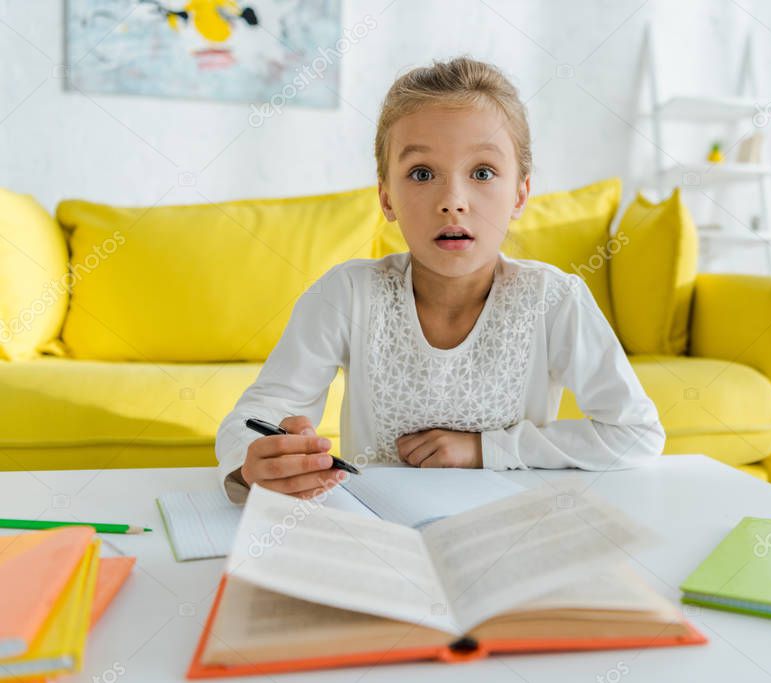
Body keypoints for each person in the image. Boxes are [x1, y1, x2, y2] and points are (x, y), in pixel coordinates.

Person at [215, 56, 664, 503]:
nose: (453, 201)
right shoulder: (348, 293)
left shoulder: (554, 298)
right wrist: (254, 460)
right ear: (387, 197)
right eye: (422, 174)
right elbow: (254, 416)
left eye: (483, 173)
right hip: (382, 534)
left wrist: (485, 449)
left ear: (520, 194)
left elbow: (637, 433)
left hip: (508, 526)